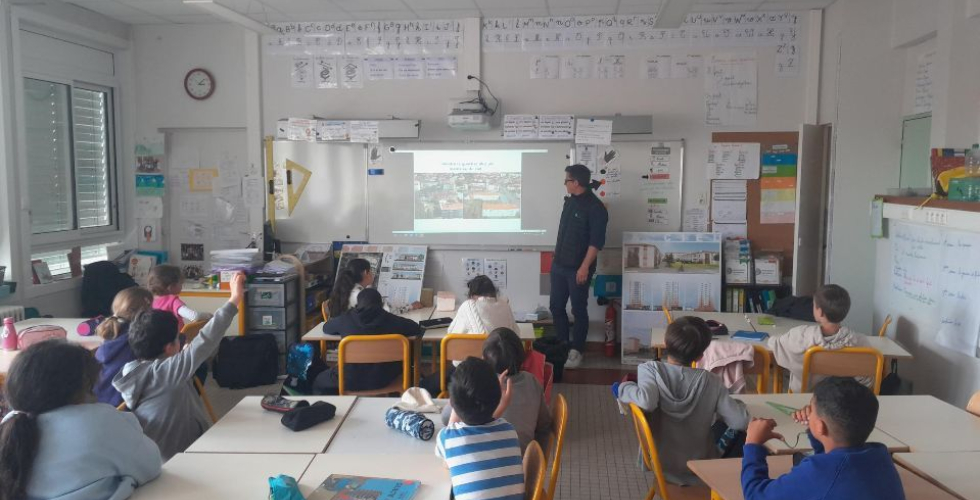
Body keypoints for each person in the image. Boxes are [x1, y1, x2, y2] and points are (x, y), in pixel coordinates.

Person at [0, 340, 162, 500]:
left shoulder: (9, 425)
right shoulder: (100, 421)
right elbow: (152, 464)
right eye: (92, 387)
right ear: (82, 388)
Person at [113, 272, 244, 460]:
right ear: (168, 347)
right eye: (177, 340)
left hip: (159, 454)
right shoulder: (166, 373)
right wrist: (235, 298)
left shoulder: (134, 370)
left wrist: (181, 355)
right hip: (180, 459)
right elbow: (207, 337)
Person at [613, 316, 750, 485]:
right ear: (701, 355)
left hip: (659, 464)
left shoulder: (650, 370)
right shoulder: (711, 381)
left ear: (665, 342)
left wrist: (622, 388)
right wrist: (738, 404)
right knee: (741, 434)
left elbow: (646, 400)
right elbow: (740, 421)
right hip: (699, 467)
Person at [741, 377, 906, 500]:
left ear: (821, 426)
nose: (808, 412)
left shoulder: (820, 472)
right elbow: (832, 470)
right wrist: (815, 428)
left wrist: (752, 445)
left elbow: (756, 495)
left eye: (811, 409)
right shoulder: (879, 456)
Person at [441, 327, 551, 452]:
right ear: (523, 356)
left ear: (483, 359)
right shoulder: (532, 381)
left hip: (482, 458)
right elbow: (544, 425)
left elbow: (446, 418)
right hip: (523, 462)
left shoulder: (479, 384)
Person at [436, 357, 524, 500]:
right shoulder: (509, 430)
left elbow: (447, 464)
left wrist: (455, 405)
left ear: (452, 402)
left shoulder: (447, 439)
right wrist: (502, 406)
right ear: (496, 399)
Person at [551, 164, 608, 369]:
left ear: (575, 182)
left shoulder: (596, 208)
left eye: (566, 180)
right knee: (556, 307)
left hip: (578, 268)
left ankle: (577, 351)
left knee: (578, 309)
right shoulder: (570, 202)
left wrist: (584, 268)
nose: (565, 183)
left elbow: (595, 243)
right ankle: (563, 345)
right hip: (558, 265)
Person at [314, 288, 423, 395]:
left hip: (349, 379)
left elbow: (326, 328)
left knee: (319, 380)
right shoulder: (391, 320)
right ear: (381, 304)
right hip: (385, 378)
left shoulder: (346, 319)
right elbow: (415, 328)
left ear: (358, 304)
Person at [768, 285, 864, 392]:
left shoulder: (801, 335)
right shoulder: (859, 341)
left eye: (813, 305)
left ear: (820, 312)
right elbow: (866, 375)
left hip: (806, 394)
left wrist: (772, 338)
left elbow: (776, 344)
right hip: (842, 397)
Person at [94, 286, 154, 406]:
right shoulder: (139, 337)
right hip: (123, 404)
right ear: (145, 312)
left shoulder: (114, 332)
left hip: (100, 400)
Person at [327, 258, 421, 319]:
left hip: (346, 340)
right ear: (365, 273)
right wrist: (411, 307)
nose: (373, 274)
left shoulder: (347, 290)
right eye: (371, 271)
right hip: (361, 339)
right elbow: (388, 311)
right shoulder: (362, 295)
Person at [448, 275, 519, 336]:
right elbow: (516, 333)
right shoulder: (504, 304)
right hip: (504, 351)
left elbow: (452, 333)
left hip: (475, 350)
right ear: (494, 292)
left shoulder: (469, 305)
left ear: (472, 294)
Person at [148, 264, 210, 331]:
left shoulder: (150, 300)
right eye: (181, 283)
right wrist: (209, 315)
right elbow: (194, 316)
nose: (182, 286)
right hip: (174, 339)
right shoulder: (172, 301)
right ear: (171, 287)